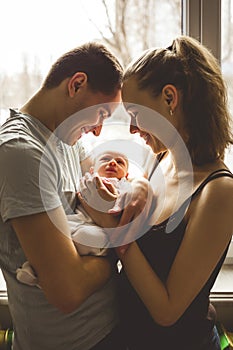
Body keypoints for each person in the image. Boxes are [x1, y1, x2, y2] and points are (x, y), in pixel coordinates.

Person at [0, 42, 128, 350]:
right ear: (76, 84)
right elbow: (67, 291)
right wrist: (117, 247)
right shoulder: (21, 153)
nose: (98, 132)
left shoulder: (71, 143)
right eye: (100, 114)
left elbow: (109, 207)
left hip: (110, 327)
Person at [116, 35, 233, 350]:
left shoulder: (218, 192)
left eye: (136, 115)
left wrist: (117, 233)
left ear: (170, 98)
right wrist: (135, 186)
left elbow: (167, 311)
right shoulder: (161, 159)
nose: (131, 129)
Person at [16, 151, 130, 287]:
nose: (112, 163)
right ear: (92, 169)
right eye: (105, 159)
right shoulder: (88, 178)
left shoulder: (124, 186)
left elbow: (129, 201)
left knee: (88, 237)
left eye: (120, 162)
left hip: (97, 227)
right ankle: (33, 266)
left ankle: (42, 275)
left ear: (126, 175)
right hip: (77, 219)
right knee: (54, 233)